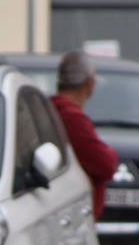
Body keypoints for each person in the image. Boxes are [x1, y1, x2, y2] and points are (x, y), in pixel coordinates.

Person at [49, 50, 118, 221]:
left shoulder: (50, 109)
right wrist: (110, 152)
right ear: (89, 83)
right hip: (73, 216)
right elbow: (104, 164)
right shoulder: (71, 117)